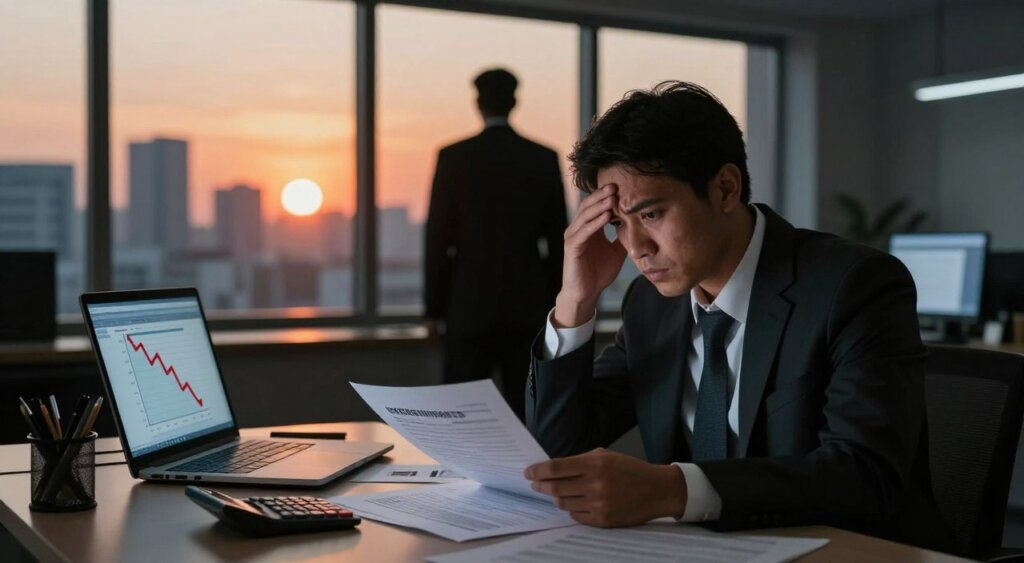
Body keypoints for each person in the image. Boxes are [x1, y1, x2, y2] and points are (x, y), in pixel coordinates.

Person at [522, 81, 951, 551]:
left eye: (651, 215)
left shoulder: (853, 286)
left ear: (726, 188)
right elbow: (558, 451)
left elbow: (864, 474)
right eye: (617, 225)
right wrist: (574, 300)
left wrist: (672, 489)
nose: (636, 249)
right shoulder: (651, 305)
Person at [424, 68, 568, 420]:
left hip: (468, 306)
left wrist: (434, 310)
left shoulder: (454, 157)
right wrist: (557, 304)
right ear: (515, 102)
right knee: (529, 413)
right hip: (528, 306)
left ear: (478, 103)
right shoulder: (542, 158)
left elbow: (437, 239)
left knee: (464, 415)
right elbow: (559, 240)